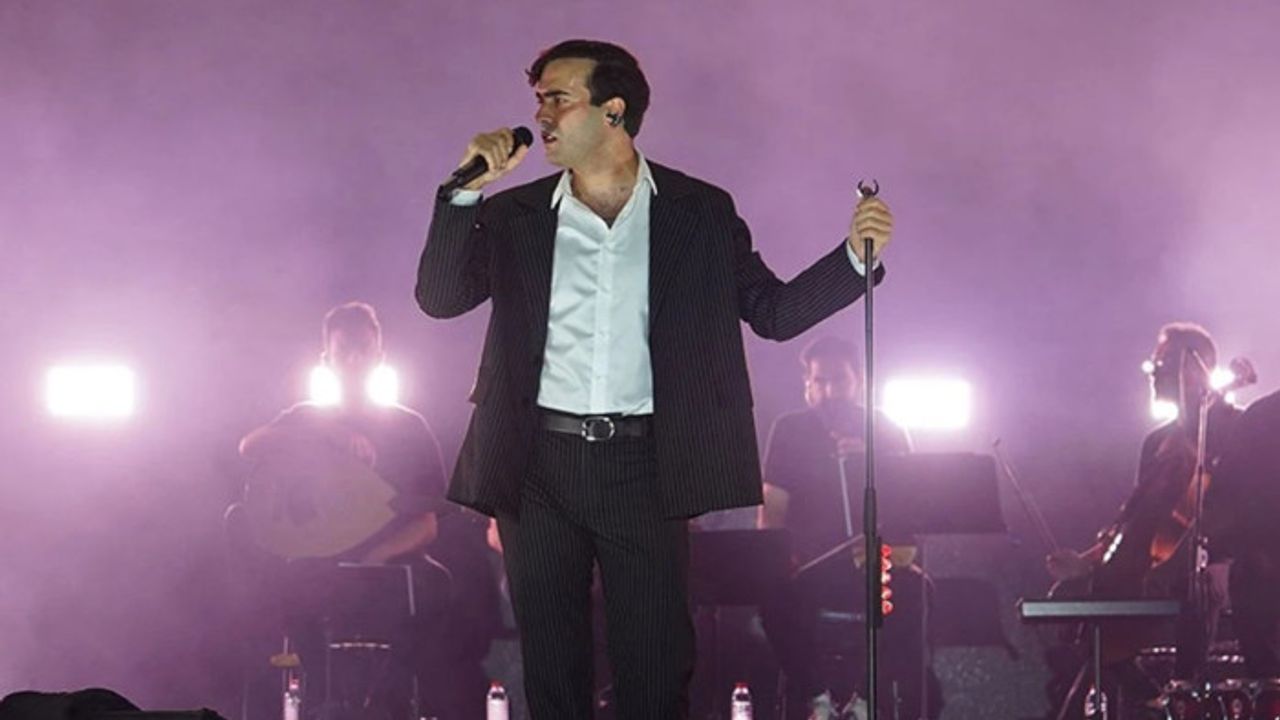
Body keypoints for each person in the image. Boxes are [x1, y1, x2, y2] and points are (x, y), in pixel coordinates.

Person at [415, 39, 894, 720]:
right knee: (553, 673)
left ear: (613, 111)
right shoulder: (515, 215)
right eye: (538, 100)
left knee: (655, 668)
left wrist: (853, 259)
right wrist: (462, 193)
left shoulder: (698, 212)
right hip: (535, 462)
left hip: (644, 464)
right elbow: (439, 298)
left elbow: (773, 312)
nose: (541, 115)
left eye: (558, 99)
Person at [232, 302, 468, 719]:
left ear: (379, 356)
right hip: (316, 556)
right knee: (283, 581)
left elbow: (427, 522)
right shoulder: (307, 416)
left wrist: (376, 557)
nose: (354, 360)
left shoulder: (409, 427)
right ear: (327, 360)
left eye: (363, 350)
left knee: (437, 584)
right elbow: (250, 445)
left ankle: (395, 701)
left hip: (391, 558)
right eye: (344, 351)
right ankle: (319, 697)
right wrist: (329, 432)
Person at [1045, 322, 1241, 701]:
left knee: (1198, 586)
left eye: (1160, 364)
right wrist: (1087, 562)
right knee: (1069, 594)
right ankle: (1136, 690)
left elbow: (1238, 508)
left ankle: (1183, 694)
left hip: (1218, 560)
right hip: (1155, 566)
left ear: (1193, 368)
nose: (1152, 373)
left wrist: (1204, 560)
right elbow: (1135, 521)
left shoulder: (1234, 428)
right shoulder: (1157, 442)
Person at [757, 336, 936, 720]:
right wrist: (774, 560)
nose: (828, 391)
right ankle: (817, 698)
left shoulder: (885, 428)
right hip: (812, 567)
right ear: (807, 384)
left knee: (916, 592)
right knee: (772, 594)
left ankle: (866, 699)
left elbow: (913, 507)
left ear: (858, 381)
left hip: (876, 566)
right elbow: (772, 508)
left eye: (838, 380)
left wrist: (874, 464)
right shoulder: (789, 429)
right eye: (819, 382)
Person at [1208, 387, 1280, 677]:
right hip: (1260, 568)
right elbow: (1225, 492)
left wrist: (1221, 555)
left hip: (1259, 568)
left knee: (1267, 677)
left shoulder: (1259, 416)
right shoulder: (1260, 417)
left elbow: (1223, 492)